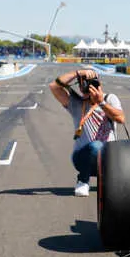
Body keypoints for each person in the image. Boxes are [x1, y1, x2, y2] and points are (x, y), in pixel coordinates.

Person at [49, 68, 124, 196]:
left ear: (99, 85)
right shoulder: (76, 103)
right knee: (96, 146)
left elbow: (120, 118)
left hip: (108, 158)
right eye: (83, 85)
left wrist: (101, 102)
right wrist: (78, 73)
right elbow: (54, 86)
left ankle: (107, 179)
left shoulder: (110, 99)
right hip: (81, 157)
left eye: (91, 85)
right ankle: (83, 181)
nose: (88, 90)